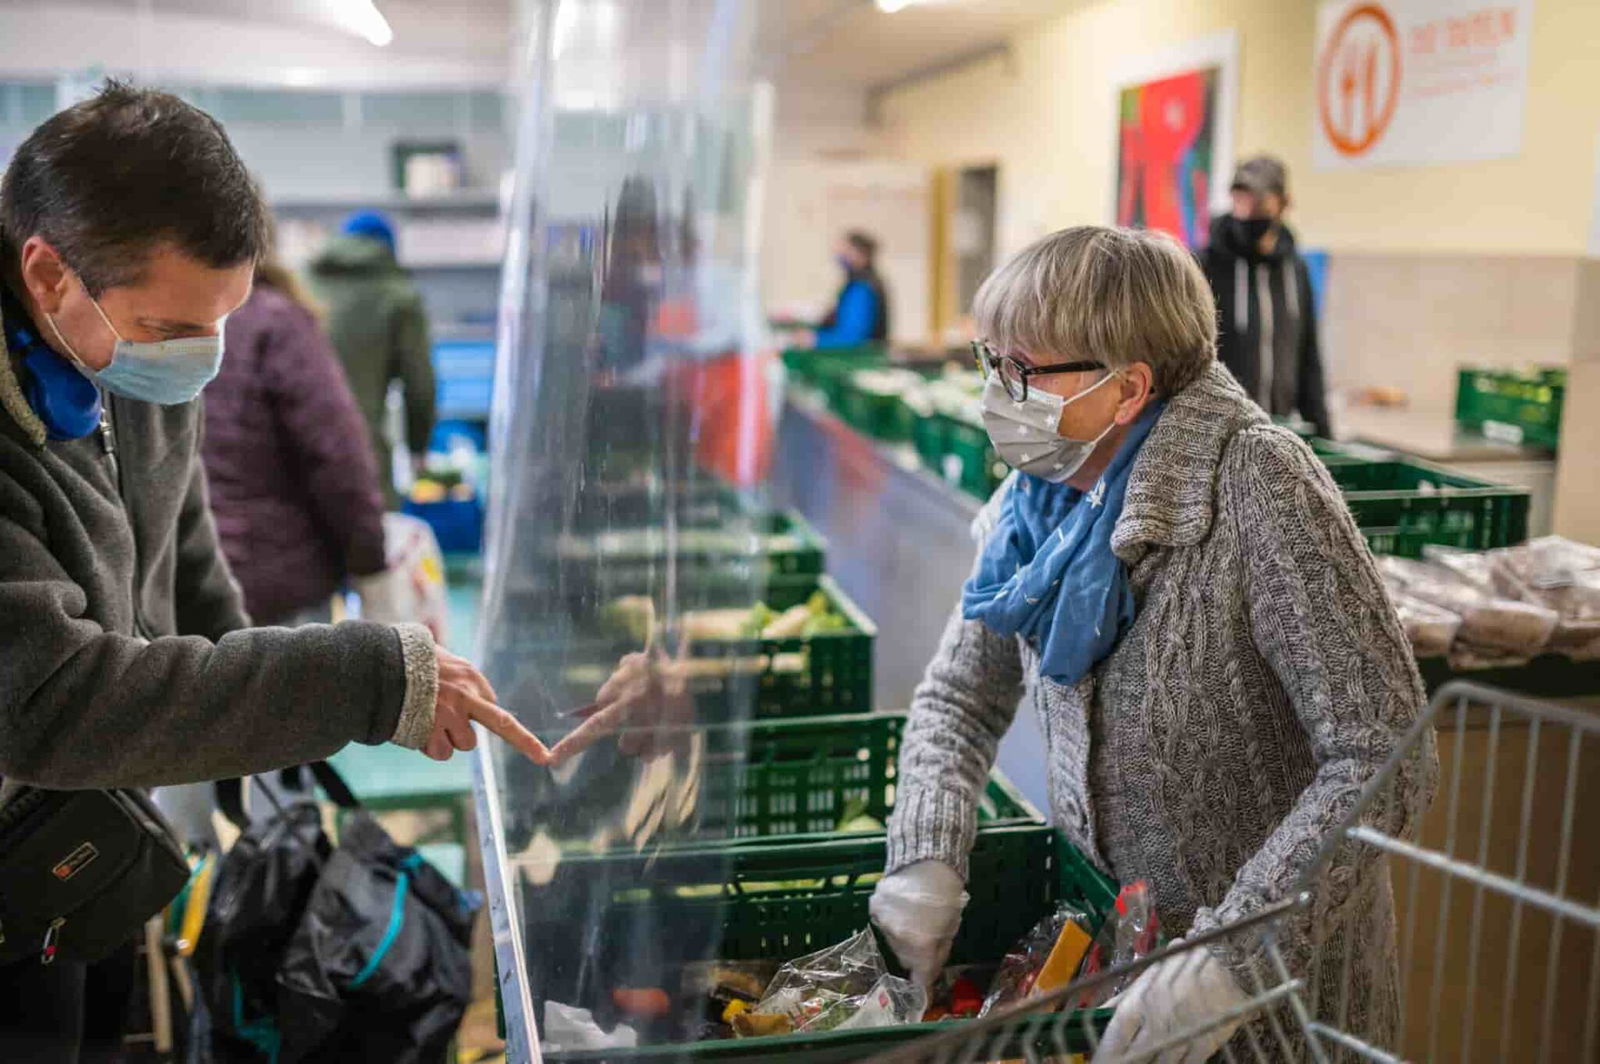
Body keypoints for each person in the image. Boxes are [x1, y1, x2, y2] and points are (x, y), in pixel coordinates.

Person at [0, 82, 547, 1061]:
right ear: (47, 275)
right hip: (20, 824)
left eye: (221, 321)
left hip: (91, 825)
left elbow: (188, 555)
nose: (200, 358)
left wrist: (265, 744)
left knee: (106, 1010)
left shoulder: (125, 353)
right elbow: (48, 701)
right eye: (171, 329)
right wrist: (366, 679)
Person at [866, 226, 1437, 1059]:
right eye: (990, 362)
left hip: (1279, 1015)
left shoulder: (1260, 484)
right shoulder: (1041, 496)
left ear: (1128, 387)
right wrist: (926, 854)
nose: (997, 392)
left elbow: (1386, 754)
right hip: (1116, 980)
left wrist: (1236, 957)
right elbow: (960, 697)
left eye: (1021, 371)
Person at [201, 243, 390, 626]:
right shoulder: (278, 321)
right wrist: (369, 560)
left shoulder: (154, 322)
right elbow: (337, 454)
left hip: (182, 583)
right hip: (277, 580)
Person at [309, 210, 435, 506]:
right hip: (360, 453)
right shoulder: (398, 295)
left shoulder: (299, 283)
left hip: (290, 455)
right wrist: (418, 449)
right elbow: (420, 385)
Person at [1200, 155, 1332, 438]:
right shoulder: (1205, 267)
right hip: (1219, 432)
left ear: (1284, 203)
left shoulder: (1296, 270)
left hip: (1277, 431)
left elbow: (1308, 358)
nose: (1247, 213)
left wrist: (1323, 433)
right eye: (1240, 200)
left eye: (1258, 203)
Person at [803, 229, 889, 349]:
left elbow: (852, 338)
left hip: (857, 356)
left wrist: (815, 340)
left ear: (862, 255)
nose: (840, 255)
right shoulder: (857, 283)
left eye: (846, 251)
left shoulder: (862, 289)